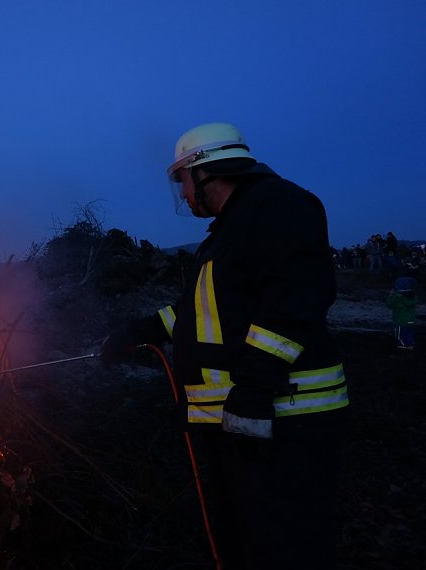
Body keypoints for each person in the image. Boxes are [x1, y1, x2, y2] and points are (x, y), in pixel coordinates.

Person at [101, 122, 350, 570]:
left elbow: (294, 302)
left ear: (203, 172)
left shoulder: (278, 206)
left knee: (285, 549)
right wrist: (139, 330)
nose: (183, 194)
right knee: (250, 545)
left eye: (183, 182)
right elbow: (202, 314)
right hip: (245, 423)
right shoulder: (230, 230)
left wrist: (254, 392)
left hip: (287, 420)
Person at [386, 276, 417, 353]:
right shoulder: (413, 296)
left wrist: (390, 296)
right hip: (411, 321)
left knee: (400, 336)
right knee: (408, 334)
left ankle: (402, 350)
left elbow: (389, 305)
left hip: (400, 322)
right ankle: (410, 347)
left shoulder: (397, 298)